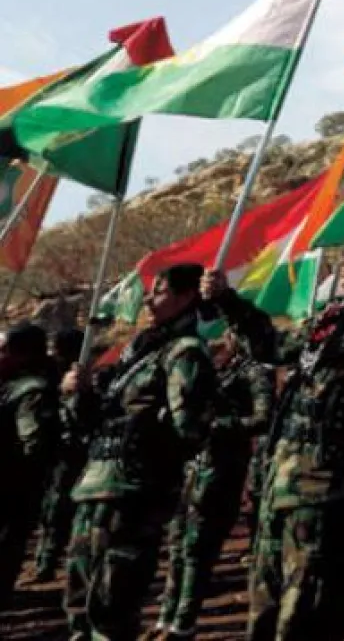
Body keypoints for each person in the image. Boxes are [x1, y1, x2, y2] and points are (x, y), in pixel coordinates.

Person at [206, 227, 344, 640]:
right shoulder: (335, 316)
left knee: (307, 613)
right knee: (268, 606)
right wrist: (227, 301)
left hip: (329, 492)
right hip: (288, 484)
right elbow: (273, 346)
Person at [61, 264, 216, 641]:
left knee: (111, 607)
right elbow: (89, 424)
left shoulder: (185, 353)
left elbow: (190, 430)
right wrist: (77, 395)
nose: (148, 299)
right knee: (79, 605)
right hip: (95, 487)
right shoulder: (136, 353)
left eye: (159, 291)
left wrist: (151, 447)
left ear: (187, 297)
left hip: (132, 496)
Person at [155, 325, 274, 638]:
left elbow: (263, 419)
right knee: (178, 542)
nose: (221, 340)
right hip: (194, 464)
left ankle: (183, 623)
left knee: (198, 547)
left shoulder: (254, 374)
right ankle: (164, 619)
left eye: (228, 335)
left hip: (223, 467)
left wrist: (216, 426)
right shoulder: (212, 369)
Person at [0, 322, 59, 606]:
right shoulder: (11, 385)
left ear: (21, 355)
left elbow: (33, 442)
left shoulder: (31, 391)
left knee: (8, 542)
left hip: (12, 484)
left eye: (3, 350)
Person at [32, 327, 86, 583]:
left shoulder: (84, 377)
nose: (55, 352)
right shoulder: (51, 374)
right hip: (55, 450)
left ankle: (47, 562)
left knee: (58, 510)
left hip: (72, 451)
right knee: (49, 509)